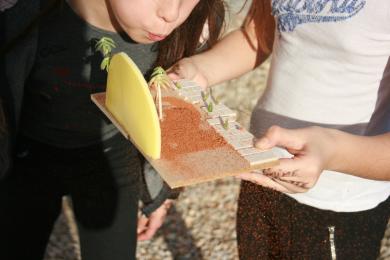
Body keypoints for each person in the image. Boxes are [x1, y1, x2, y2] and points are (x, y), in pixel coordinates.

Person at [0, 0, 225, 259]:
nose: (171, 14)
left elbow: (171, 120)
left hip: (114, 160)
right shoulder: (21, 16)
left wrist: (162, 192)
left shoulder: (191, 26)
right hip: (25, 161)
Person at [169, 0, 390, 259]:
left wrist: (330, 152)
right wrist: (201, 69)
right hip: (261, 170)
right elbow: (259, 35)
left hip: (340, 200)